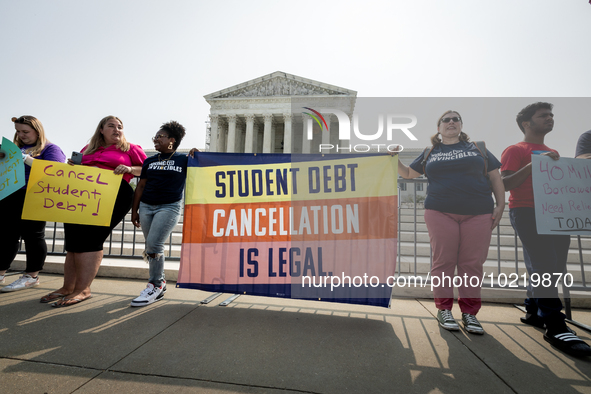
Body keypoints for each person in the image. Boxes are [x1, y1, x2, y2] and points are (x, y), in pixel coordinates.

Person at [396, 110, 505, 335]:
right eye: (446, 120)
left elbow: (495, 177)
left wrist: (500, 205)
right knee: (443, 261)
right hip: (439, 211)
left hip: (478, 212)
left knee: (472, 263)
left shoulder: (478, 148)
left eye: (456, 119)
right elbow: (407, 174)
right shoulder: (430, 152)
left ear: (461, 125)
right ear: (439, 128)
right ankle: (444, 309)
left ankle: (470, 313)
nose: (451, 122)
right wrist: (392, 159)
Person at [501, 102, 591, 357]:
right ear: (526, 123)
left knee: (554, 266)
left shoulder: (552, 150)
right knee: (544, 265)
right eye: (543, 116)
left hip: (554, 214)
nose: (550, 118)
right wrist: (534, 165)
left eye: (551, 115)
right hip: (527, 212)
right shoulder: (515, 149)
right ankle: (555, 324)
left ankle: (533, 310)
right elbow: (506, 183)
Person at [41, 116, 147, 307]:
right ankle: (67, 287)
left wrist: (130, 168)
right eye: (111, 126)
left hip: (113, 195)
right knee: (73, 242)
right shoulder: (88, 148)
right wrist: (73, 166)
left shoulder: (130, 148)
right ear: (101, 129)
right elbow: (78, 167)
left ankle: (83, 289)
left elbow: (148, 169)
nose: (117, 129)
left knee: (91, 239)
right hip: (81, 197)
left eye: (120, 127)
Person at [129, 121, 197, 307]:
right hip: (146, 206)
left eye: (160, 136)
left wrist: (198, 154)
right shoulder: (150, 160)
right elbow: (141, 186)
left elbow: (204, 170)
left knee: (154, 244)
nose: (156, 140)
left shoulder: (184, 160)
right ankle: (159, 282)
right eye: (155, 137)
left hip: (169, 207)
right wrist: (134, 211)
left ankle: (155, 285)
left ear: (172, 140)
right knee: (153, 248)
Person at [0, 116, 66, 291]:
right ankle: (0, 273)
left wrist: (25, 159)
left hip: (35, 195)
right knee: (7, 236)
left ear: (38, 131)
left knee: (33, 235)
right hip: (11, 195)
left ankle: (31, 276)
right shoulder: (16, 148)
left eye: (25, 131)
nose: (21, 135)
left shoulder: (51, 148)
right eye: (18, 131)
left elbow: (55, 171)